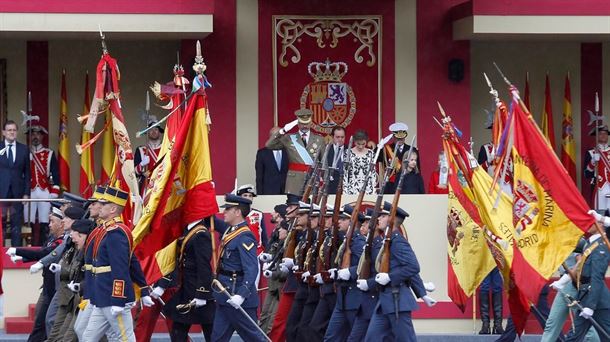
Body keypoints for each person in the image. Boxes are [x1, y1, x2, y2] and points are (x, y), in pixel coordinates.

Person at [82, 186, 139, 342]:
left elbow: (120, 268)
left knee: (125, 338)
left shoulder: (116, 232)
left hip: (112, 296)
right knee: (87, 337)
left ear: (113, 208)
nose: (100, 207)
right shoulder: (107, 230)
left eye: (104, 204)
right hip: (102, 296)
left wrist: (118, 299)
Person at [364, 203, 426, 342]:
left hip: (397, 300)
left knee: (405, 339)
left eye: (383, 215)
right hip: (385, 301)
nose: (379, 218)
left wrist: (390, 277)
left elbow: (413, 266)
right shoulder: (387, 241)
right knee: (372, 338)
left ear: (392, 220)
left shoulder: (397, 241)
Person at [211, 193, 267, 342]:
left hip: (237, 296)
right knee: (217, 338)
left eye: (228, 209)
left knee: (253, 337)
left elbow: (251, 268)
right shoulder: (231, 230)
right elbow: (213, 222)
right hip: (224, 295)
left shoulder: (244, 236)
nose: (224, 212)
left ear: (237, 212)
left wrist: (241, 295)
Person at [6, 206, 64, 342]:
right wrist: (23, 258)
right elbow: (43, 252)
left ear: (61, 224)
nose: (49, 225)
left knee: (44, 324)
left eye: (52, 222)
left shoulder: (62, 241)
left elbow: (44, 254)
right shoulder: (52, 239)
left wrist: (18, 251)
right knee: (41, 322)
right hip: (47, 287)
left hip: (55, 288)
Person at [162, 216, 215, 342]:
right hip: (186, 288)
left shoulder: (201, 234)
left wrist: (201, 294)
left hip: (198, 291)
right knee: (178, 330)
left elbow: (204, 266)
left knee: (210, 331)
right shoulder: (188, 230)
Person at [563, 210, 610, 342]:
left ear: (600, 224)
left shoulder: (602, 245)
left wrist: (591, 305)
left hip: (597, 301)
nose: (587, 224)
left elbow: (596, 277)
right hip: (585, 297)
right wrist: (562, 281)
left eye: (591, 221)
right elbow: (580, 269)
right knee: (574, 337)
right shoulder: (590, 244)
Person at [46, 218, 95, 342]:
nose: (72, 238)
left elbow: (95, 275)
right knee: (59, 335)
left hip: (87, 301)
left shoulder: (90, 252)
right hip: (72, 300)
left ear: (83, 235)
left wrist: (80, 286)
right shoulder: (76, 250)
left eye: (75, 234)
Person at [324, 204, 366, 341]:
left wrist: (350, 272)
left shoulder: (359, 242)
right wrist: (336, 272)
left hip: (354, 298)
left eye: (343, 219)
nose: (339, 222)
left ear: (352, 222)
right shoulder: (346, 240)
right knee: (330, 336)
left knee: (355, 338)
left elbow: (364, 266)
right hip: (342, 299)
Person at [266, 108, 325, 195]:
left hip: (312, 181)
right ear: (297, 123)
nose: (304, 126)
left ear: (311, 122)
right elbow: (269, 145)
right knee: (293, 207)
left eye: (307, 123)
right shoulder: (289, 138)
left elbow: (323, 162)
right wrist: (283, 130)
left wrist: (322, 181)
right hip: (294, 183)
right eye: (302, 123)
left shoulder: (319, 139)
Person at [268, 195, 301, 342]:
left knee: (295, 325)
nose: (287, 209)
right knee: (280, 323)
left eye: (290, 206)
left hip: (301, 284)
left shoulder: (302, 231)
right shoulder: (292, 227)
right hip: (291, 282)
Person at [24, 120, 60, 246]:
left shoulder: (49, 153)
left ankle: (44, 245)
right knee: (29, 220)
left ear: (42, 136)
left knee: (45, 220)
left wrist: (54, 192)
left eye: (38, 134)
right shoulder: (24, 152)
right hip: (29, 191)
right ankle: (31, 244)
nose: (35, 136)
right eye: (32, 134)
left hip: (45, 190)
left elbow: (55, 174)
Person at [0, 120, 31, 246]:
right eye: (9, 130)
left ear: (16, 132)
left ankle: (15, 252)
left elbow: (28, 173)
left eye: (14, 130)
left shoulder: (24, 149)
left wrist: (26, 193)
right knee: (0, 222)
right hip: (1, 191)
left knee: (16, 223)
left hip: (18, 192)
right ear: (4, 132)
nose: (11, 132)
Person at [259, 204, 289, 334]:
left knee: (273, 320)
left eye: (282, 229)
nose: (279, 231)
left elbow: (285, 266)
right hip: (273, 284)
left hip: (280, 284)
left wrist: (273, 272)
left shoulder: (289, 242)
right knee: (265, 315)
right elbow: (272, 251)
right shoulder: (276, 235)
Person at [379, 122, 419, 194]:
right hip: (391, 185)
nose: (400, 140)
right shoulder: (385, 149)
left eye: (402, 138)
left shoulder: (412, 149)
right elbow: (375, 158)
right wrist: (380, 146)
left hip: (407, 183)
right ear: (393, 137)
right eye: (398, 138)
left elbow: (417, 169)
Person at [134, 117, 163, 197]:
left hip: (162, 185)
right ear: (147, 133)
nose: (153, 132)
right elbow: (134, 173)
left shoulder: (166, 149)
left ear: (159, 132)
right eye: (151, 129)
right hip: (146, 188)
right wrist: (142, 164)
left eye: (156, 129)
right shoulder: (140, 150)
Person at [256, 127, 288, 195]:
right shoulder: (262, 153)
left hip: (287, 192)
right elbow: (259, 176)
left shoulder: (289, 151)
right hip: (268, 193)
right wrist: (260, 195)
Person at [237, 184, 268, 255]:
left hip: (257, 252)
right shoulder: (235, 213)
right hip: (239, 252)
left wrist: (266, 251)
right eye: (245, 195)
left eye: (250, 196)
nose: (248, 198)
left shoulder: (259, 214)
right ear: (239, 197)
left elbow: (264, 236)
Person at [585, 125, 610, 210]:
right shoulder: (591, 152)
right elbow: (586, 174)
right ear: (597, 136)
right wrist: (592, 162)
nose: (603, 135)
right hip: (599, 186)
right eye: (600, 134)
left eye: (605, 133)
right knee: (600, 213)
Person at [344, 129, 376, 195]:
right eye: (358, 144)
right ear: (354, 142)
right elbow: (345, 173)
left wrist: (373, 189)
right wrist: (345, 190)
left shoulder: (371, 153)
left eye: (363, 144)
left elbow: (373, 173)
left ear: (367, 141)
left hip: (368, 188)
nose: (361, 146)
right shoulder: (348, 152)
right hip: (352, 188)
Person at [327, 126, 346, 194]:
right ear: (332, 137)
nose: (340, 139)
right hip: (330, 188)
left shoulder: (350, 150)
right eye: (337, 137)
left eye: (342, 137)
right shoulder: (326, 150)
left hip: (346, 188)